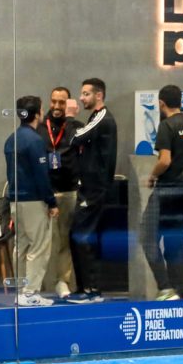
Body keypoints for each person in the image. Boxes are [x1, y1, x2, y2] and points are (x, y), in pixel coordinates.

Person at [141, 84, 183, 300]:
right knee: (174, 244)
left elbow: (164, 160)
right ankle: (178, 291)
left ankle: (166, 288)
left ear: (161, 103)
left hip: (166, 190)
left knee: (147, 236)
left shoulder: (167, 126)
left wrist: (152, 175)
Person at [65, 77, 117, 304]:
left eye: (86, 94)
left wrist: (69, 118)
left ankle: (91, 290)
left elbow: (75, 138)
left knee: (82, 236)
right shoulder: (95, 118)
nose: (81, 98)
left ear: (99, 95)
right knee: (77, 235)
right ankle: (85, 287)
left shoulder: (102, 117)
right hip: (89, 187)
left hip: (95, 189)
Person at [5, 95, 59, 306]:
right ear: (37, 114)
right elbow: (41, 174)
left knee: (21, 246)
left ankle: (21, 290)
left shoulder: (11, 139)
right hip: (34, 200)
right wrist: (51, 201)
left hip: (15, 200)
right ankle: (30, 292)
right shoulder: (35, 141)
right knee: (38, 248)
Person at [41, 86, 80, 299]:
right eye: (54, 101)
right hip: (44, 192)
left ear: (69, 104)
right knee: (41, 242)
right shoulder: (40, 127)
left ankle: (62, 281)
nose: (57, 106)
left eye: (62, 102)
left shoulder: (75, 127)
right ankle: (36, 285)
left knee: (64, 239)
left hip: (68, 191)